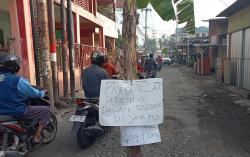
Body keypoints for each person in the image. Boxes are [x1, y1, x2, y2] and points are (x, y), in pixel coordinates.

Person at [0, 53, 50, 144]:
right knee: (45, 109)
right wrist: (42, 93)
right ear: (14, 66)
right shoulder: (17, 80)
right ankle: (37, 137)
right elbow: (32, 93)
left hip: (2, 113)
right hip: (17, 111)